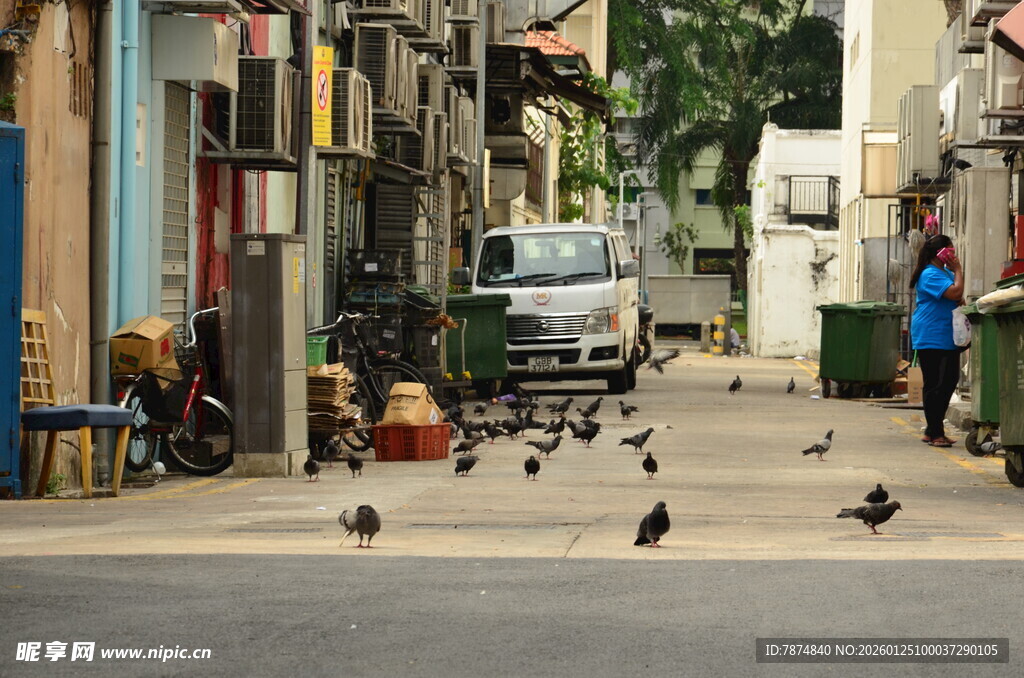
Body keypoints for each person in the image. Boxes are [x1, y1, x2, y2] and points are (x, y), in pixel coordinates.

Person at [909, 234, 964, 447]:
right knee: (934, 383)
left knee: (949, 380)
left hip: (947, 333)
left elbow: (958, 296)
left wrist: (955, 276)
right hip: (930, 333)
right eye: (949, 250)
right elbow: (955, 291)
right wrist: (959, 271)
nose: (953, 254)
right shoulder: (930, 274)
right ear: (939, 253)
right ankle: (936, 433)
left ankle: (932, 429)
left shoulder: (945, 273)